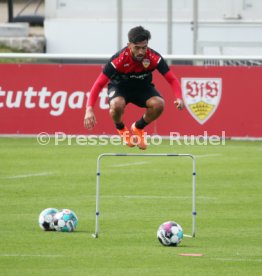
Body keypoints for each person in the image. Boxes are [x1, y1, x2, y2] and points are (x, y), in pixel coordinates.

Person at [84, 26, 184, 150]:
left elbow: (172, 79)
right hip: (120, 87)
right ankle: (121, 129)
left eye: (144, 47)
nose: (141, 52)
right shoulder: (118, 59)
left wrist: (179, 98)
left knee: (159, 104)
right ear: (129, 45)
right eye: (137, 48)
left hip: (142, 87)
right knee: (116, 105)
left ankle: (138, 127)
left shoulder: (153, 57)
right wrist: (89, 109)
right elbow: (99, 83)